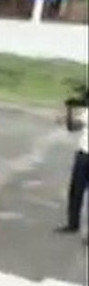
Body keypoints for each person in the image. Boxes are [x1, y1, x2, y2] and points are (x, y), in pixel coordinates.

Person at [56, 84, 88, 241]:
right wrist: (69, 110)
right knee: (76, 192)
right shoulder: (87, 112)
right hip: (83, 155)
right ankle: (72, 224)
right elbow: (72, 127)